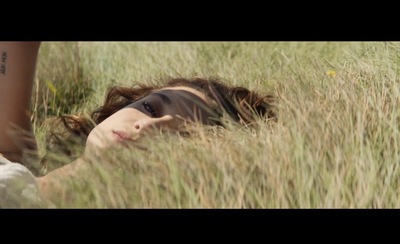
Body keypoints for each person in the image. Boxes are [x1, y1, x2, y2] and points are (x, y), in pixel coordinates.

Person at [0, 42, 276, 207]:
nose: (146, 127)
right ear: (119, 108)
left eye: (180, 137)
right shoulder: (13, 156)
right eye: (149, 108)